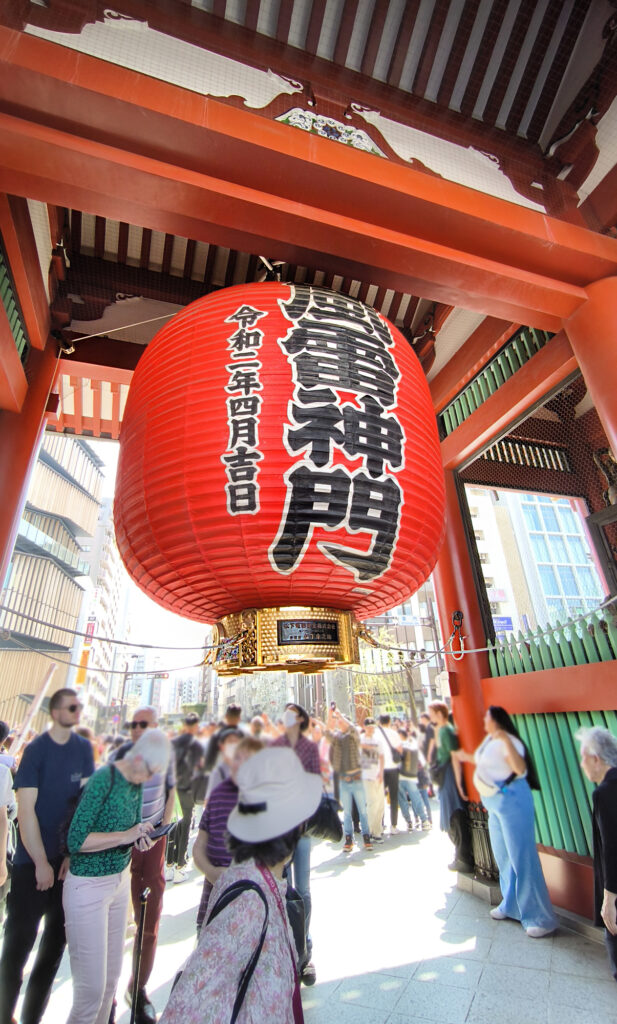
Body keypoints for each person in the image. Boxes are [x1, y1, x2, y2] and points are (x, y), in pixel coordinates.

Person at [160, 746, 322, 1024]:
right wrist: (217, 876)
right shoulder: (248, 897)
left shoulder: (273, 886)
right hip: (229, 900)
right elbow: (191, 1003)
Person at [63, 729, 171, 1024]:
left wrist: (140, 835)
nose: (149, 778)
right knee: (91, 993)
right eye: (149, 770)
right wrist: (126, 834)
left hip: (119, 881)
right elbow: (77, 840)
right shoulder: (104, 779)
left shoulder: (136, 784)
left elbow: (128, 829)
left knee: (110, 983)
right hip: (87, 886)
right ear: (137, 756)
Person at [0, 688, 94, 1024]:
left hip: (68, 869)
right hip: (31, 867)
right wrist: (40, 861)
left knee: (51, 952)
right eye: (69, 707)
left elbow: (83, 806)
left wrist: (70, 854)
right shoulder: (37, 751)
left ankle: (30, 1019)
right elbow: (26, 811)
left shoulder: (84, 750)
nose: (74, 713)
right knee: (16, 950)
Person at [456, 705, 556, 937]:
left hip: (512, 800)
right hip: (493, 803)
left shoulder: (510, 741)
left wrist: (504, 739)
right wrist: (463, 756)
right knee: (503, 856)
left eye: (488, 720)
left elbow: (519, 768)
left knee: (522, 857)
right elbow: (485, 763)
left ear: (498, 721)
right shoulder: (489, 742)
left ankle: (538, 916)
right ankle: (511, 904)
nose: (485, 724)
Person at [109, 706, 175, 1023]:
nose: (137, 729)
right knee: (114, 923)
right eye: (133, 724)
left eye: (144, 724)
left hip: (153, 845)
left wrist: (162, 825)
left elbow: (171, 789)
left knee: (149, 920)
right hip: (120, 848)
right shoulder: (119, 758)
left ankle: (138, 989)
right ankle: (105, 997)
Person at [193, 735, 263, 933]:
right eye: (237, 757)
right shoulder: (217, 795)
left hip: (253, 907)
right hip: (213, 904)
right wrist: (211, 872)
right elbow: (199, 846)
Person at [272, 702, 321, 985]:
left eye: (293, 713)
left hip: (301, 830)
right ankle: (286, 948)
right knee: (282, 888)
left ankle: (304, 951)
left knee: (303, 889)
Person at [578, 726, 617, 977]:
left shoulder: (604, 793)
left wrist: (609, 900)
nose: (582, 764)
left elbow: (612, 847)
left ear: (596, 758)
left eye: (583, 757)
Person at [427, 700, 473, 873]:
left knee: (454, 814)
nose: (430, 717)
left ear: (440, 713)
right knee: (453, 814)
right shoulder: (443, 730)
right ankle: (462, 856)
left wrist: (459, 785)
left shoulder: (446, 731)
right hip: (447, 775)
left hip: (449, 776)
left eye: (432, 713)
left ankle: (462, 857)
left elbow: (454, 756)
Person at [166, 713, 204, 882]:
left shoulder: (173, 743)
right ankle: (180, 867)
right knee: (185, 827)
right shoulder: (196, 746)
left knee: (173, 827)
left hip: (173, 791)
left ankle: (168, 865)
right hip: (188, 790)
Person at [327, 708, 372, 853]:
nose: (339, 723)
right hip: (344, 779)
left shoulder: (354, 734)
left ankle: (366, 836)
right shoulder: (336, 737)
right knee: (346, 812)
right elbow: (327, 733)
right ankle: (348, 838)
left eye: (341, 721)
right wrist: (330, 716)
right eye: (337, 721)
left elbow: (352, 728)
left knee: (363, 810)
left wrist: (340, 715)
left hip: (357, 777)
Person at [397, 728, 430, 831]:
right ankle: (424, 820)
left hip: (399, 777)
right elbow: (422, 762)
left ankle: (409, 822)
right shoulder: (413, 745)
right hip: (411, 777)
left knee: (402, 800)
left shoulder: (396, 746)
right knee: (416, 798)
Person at [359, 718, 386, 843]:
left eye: (372, 727)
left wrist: (381, 772)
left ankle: (377, 831)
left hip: (378, 776)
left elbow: (381, 757)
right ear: (364, 727)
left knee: (380, 804)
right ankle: (367, 831)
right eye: (369, 726)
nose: (371, 729)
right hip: (366, 776)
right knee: (372, 803)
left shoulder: (378, 741)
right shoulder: (360, 740)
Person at [377, 714, 402, 832]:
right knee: (393, 797)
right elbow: (400, 750)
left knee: (379, 797)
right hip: (393, 767)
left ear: (379, 722)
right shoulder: (394, 733)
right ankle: (393, 825)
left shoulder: (376, 733)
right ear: (389, 721)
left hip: (380, 769)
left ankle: (380, 824)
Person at [204, 726, 244, 799]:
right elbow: (209, 802)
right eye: (230, 741)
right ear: (222, 746)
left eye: (236, 742)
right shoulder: (218, 772)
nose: (234, 745)